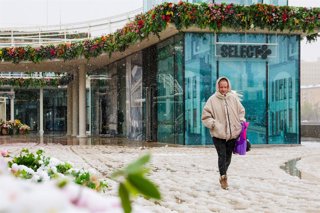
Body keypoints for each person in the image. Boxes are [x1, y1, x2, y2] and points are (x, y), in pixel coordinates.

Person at [201, 77, 245, 190]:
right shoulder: (212, 100)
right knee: (222, 155)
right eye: (221, 87)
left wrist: (241, 121)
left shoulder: (233, 99)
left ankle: (223, 172)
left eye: (225, 87)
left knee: (228, 157)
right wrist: (213, 124)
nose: (223, 89)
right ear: (218, 87)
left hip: (232, 134)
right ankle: (223, 177)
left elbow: (241, 111)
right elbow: (205, 116)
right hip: (218, 134)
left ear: (228, 87)